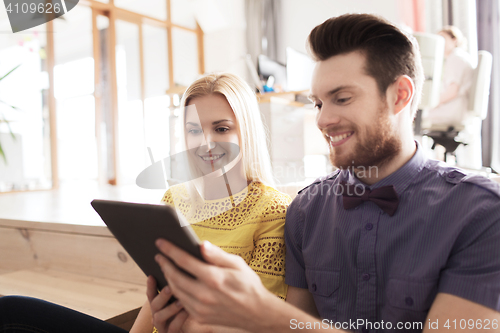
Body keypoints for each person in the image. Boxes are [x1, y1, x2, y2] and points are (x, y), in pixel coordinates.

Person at [148, 14, 500, 333]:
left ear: (400, 96)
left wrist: (263, 311)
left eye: (342, 98)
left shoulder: (481, 214)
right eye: (318, 103)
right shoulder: (306, 211)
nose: (322, 119)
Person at [0, 73, 291, 333]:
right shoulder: (174, 200)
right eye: (193, 130)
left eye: (222, 129)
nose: (206, 142)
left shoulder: (272, 211)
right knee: (12, 311)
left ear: (247, 132)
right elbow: (156, 299)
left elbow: (263, 324)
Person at [425, 26, 474, 126]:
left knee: (415, 117)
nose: (439, 43)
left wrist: (432, 104)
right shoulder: (460, 57)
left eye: (443, 38)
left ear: (454, 40)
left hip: (453, 111)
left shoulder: (455, 57)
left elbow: (452, 91)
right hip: (459, 110)